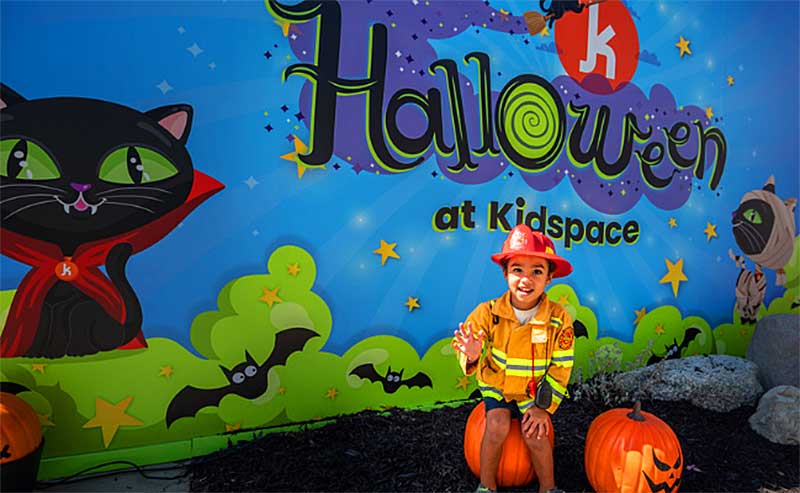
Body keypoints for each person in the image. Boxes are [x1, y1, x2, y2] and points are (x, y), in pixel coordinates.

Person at [452, 224, 575, 493]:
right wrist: (471, 354)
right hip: (497, 383)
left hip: (533, 389)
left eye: (537, 272)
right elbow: (465, 343)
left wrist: (543, 407)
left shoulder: (558, 318)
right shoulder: (488, 312)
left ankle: (548, 487)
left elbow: (561, 365)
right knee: (496, 427)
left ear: (549, 278)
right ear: (506, 273)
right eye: (518, 269)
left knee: (537, 436)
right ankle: (487, 485)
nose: (526, 279)